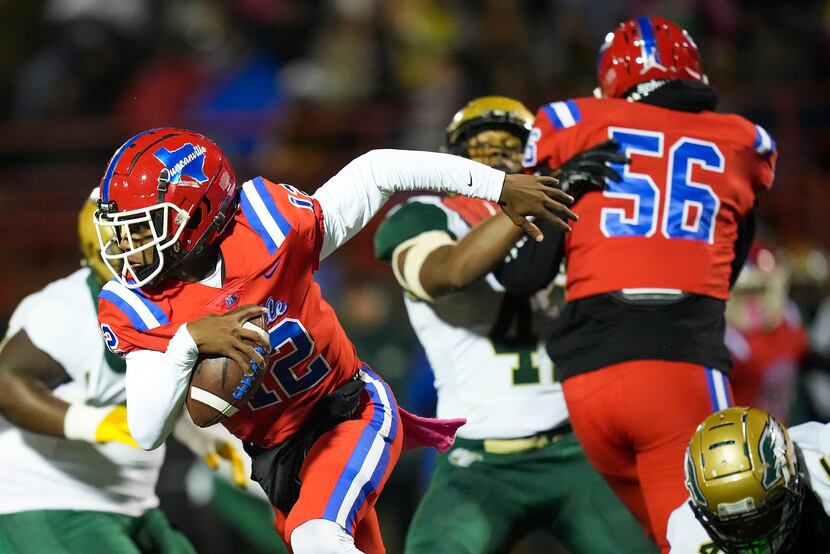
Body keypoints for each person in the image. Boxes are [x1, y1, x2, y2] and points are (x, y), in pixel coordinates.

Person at [92, 128, 577, 554]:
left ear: (199, 215)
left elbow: (379, 170)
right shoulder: (138, 305)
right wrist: (187, 343)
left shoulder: (271, 226)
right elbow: (147, 429)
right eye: (123, 231)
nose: (128, 247)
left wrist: (498, 186)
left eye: (144, 227)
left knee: (317, 538)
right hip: (276, 456)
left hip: (347, 408)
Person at [495, 16, 776, 550]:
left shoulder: (573, 122)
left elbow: (521, 274)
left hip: (587, 387)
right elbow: (729, 272)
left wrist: (565, 185)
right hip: (678, 370)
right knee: (721, 539)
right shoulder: (740, 141)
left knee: (665, 537)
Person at [373, 95, 655, 553]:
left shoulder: (571, 215)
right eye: (482, 146)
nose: (500, 157)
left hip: (576, 447)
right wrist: (531, 200)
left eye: (512, 145)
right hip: (479, 463)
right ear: (453, 161)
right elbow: (449, 273)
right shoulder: (426, 215)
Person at [0, 192, 244, 554]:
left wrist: (196, 435)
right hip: (48, 498)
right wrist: (92, 422)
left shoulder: (168, 300)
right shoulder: (62, 310)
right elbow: (5, 383)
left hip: (131, 501)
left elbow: (145, 388)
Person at [667, 406, 830, 553]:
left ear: (794, 477)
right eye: (734, 526)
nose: (754, 540)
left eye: (764, 519)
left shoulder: (821, 457)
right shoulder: (691, 539)